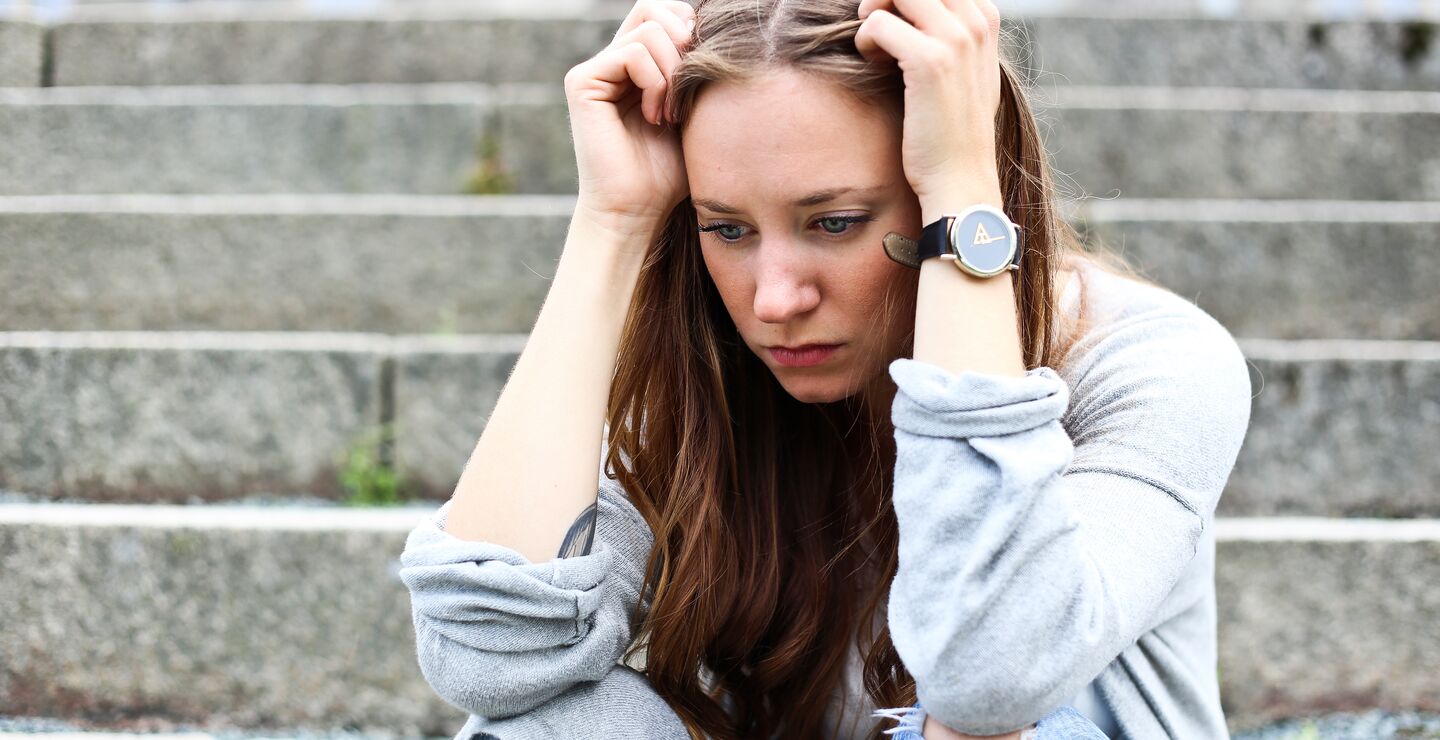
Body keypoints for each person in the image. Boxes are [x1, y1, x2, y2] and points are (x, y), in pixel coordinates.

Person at [398, 0, 1252, 738]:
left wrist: (963, 195)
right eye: (726, 229)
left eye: (835, 222)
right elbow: (489, 659)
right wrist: (612, 222)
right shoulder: (703, 375)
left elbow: (989, 672)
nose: (773, 299)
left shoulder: (1153, 364)